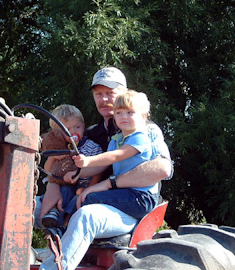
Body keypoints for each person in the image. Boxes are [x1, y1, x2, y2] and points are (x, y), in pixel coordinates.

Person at [39, 67, 172, 270]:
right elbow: (69, 165)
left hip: (130, 206)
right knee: (29, 207)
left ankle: (54, 266)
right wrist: (53, 185)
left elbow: (162, 169)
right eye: (98, 94)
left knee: (86, 215)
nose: (104, 99)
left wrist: (109, 184)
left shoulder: (145, 129)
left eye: (110, 93)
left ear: (124, 93)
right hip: (88, 198)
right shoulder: (91, 133)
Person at [72, 90, 158, 219]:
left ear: (143, 116)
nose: (124, 116)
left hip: (141, 196)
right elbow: (104, 164)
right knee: (81, 195)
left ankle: (68, 229)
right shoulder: (116, 140)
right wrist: (77, 174)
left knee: (90, 199)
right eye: (119, 113)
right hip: (124, 192)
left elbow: (116, 155)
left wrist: (88, 160)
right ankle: (60, 227)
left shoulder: (140, 137)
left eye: (130, 112)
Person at [36, 104, 103, 238]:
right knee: (65, 191)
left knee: (77, 198)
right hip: (66, 185)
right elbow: (50, 173)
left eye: (77, 127)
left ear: (83, 127)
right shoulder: (59, 149)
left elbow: (98, 171)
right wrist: (53, 158)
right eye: (67, 129)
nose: (73, 132)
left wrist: (89, 188)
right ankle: (54, 214)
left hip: (84, 186)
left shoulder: (91, 147)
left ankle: (63, 226)